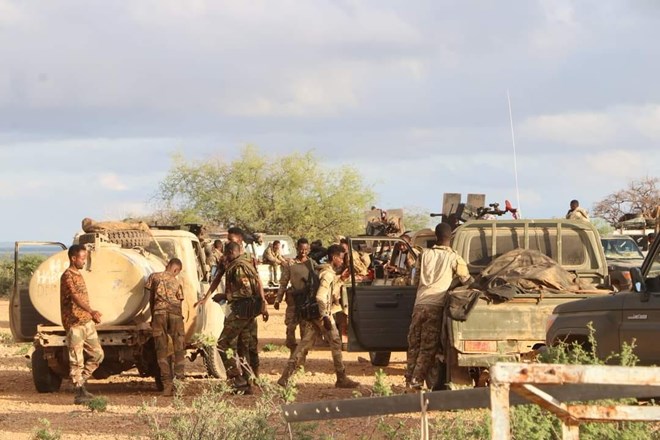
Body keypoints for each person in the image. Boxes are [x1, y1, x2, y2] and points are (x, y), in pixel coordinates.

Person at [277, 244, 359, 389]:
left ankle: (285, 377)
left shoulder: (324, 270)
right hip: (321, 314)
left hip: (313, 314)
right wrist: (325, 316)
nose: (342, 261)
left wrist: (341, 279)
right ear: (334, 257)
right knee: (335, 341)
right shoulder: (327, 274)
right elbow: (321, 296)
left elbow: (329, 290)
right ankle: (341, 377)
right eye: (341, 258)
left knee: (303, 345)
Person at [195, 227, 269, 384]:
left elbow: (255, 283)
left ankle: (242, 378)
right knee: (242, 345)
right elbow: (217, 277)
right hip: (241, 307)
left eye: (231, 239)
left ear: (240, 240)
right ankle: (247, 380)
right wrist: (206, 297)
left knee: (238, 344)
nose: (227, 241)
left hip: (243, 308)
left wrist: (263, 302)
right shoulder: (228, 259)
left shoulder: (246, 259)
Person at [405, 223, 472, 390]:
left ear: (436, 236)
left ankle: (408, 380)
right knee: (428, 348)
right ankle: (416, 383)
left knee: (414, 345)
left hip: (419, 305)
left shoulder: (424, 254)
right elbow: (466, 280)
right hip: (436, 306)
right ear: (450, 238)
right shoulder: (454, 257)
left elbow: (414, 280)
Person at [213, 241, 268, 392]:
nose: (225, 256)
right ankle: (248, 382)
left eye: (226, 253)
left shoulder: (238, 267)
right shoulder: (246, 263)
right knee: (244, 347)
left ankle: (236, 377)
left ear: (231, 252)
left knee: (222, 344)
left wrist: (225, 296)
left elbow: (246, 290)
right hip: (249, 312)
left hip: (241, 311)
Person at [60, 244, 104, 404]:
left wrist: (90, 316)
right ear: (73, 258)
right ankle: (79, 392)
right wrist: (92, 311)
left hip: (86, 322)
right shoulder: (67, 276)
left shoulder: (78, 274)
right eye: (82, 258)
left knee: (98, 354)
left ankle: (80, 383)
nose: (84, 261)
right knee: (76, 361)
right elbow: (75, 297)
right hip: (75, 324)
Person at [145, 258, 185, 397]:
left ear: (167, 265)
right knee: (179, 350)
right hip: (175, 314)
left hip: (159, 314)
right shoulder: (177, 282)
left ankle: (167, 386)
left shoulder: (154, 277)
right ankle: (179, 387)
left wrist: (153, 317)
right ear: (176, 270)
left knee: (161, 350)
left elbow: (151, 298)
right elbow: (180, 302)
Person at [274, 238, 313, 357]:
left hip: (306, 302)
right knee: (290, 329)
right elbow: (283, 283)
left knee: (305, 331)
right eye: (301, 249)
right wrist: (278, 299)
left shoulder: (312, 264)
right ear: (297, 248)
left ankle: (301, 358)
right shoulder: (290, 264)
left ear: (309, 249)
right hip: (293, 302)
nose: (303, 252)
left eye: (306, 250)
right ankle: (292, 354)